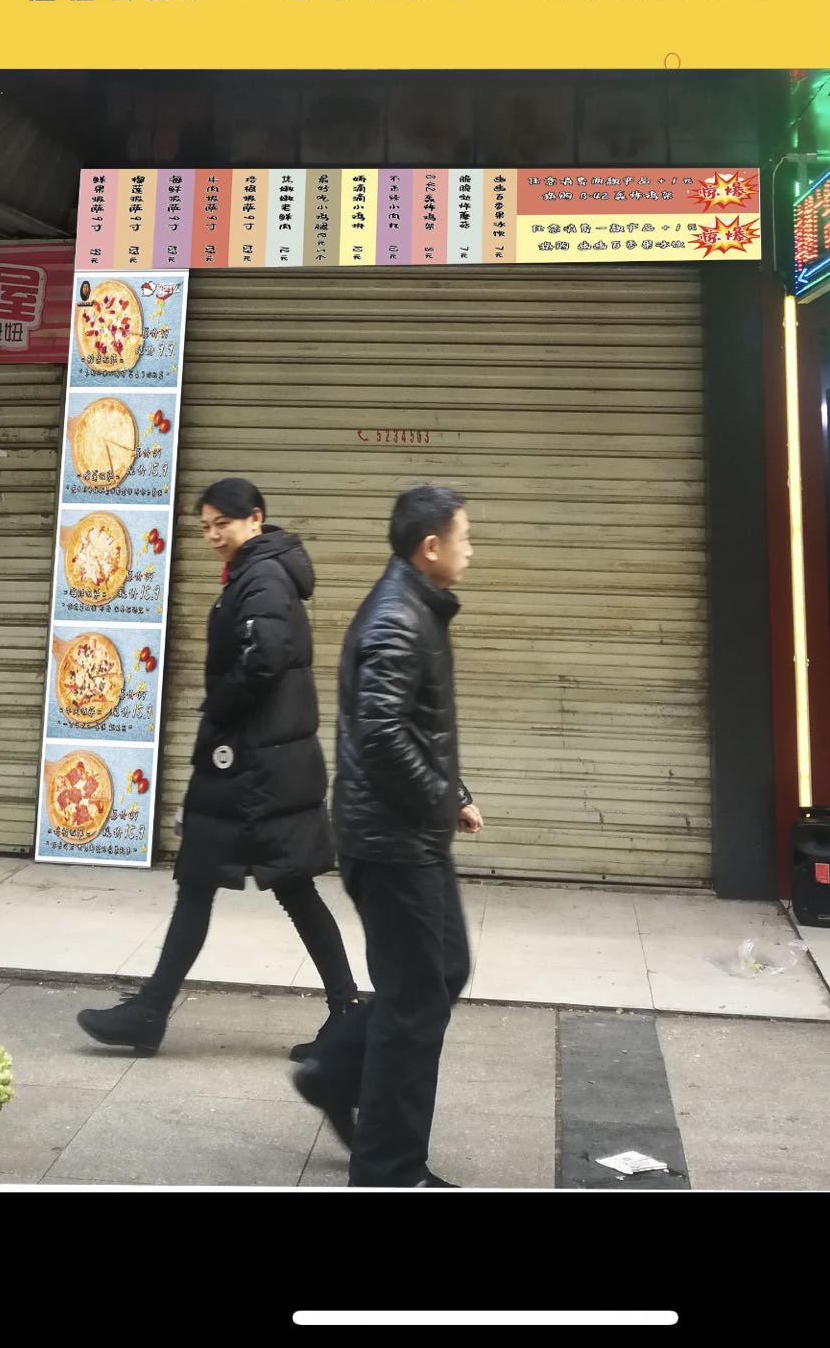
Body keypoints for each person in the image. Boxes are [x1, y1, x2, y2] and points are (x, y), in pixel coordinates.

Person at [77, 476, 358, 1052]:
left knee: (244, 882)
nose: (211, 536)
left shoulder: (264, 575)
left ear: (255, 518)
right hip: (257, 761)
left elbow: (265, 657)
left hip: (252, 766)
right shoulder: (255, 573)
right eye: (204, 527)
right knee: (233, 882)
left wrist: (219, 708)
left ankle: (154, 1012)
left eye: (221, 524)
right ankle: (342, 1012)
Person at [293, 484, 483, 1188]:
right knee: (414, 1004)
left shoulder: (416, 607)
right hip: (392, 842)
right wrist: (438, 798)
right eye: (464, 537)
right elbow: (379, 735)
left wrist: (451, 794)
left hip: (409, 834)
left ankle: (334, 1069)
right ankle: (389, 1170)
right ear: (430, 547)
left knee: (444, 970)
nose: (471, 550)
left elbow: (411, 726)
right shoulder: (397, 619)